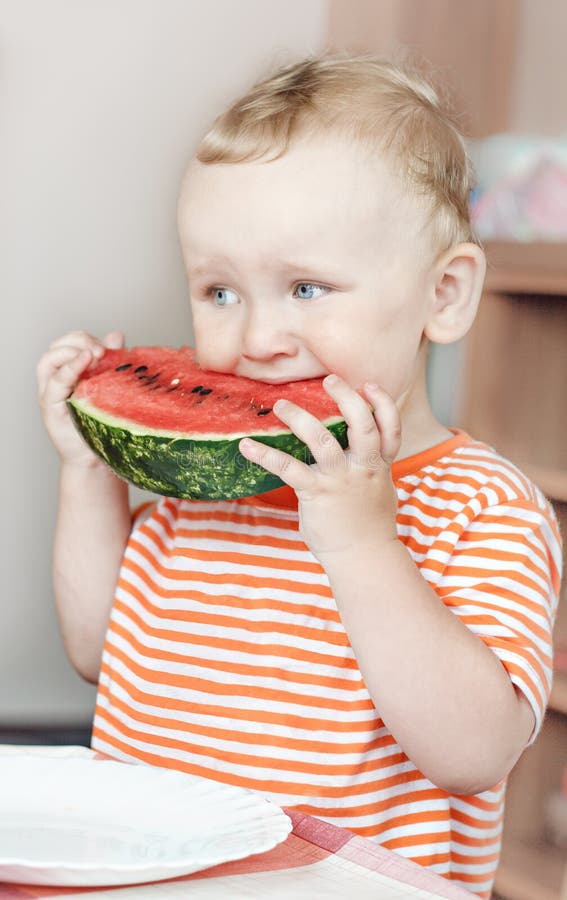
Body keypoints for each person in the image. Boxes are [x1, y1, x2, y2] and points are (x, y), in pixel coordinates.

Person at [37, 53, 562, 897]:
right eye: (217, 291)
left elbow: (471, 755)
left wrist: (360, 540)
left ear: (445, 295)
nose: (257, 337)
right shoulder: (200, 498)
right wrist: (86, 474)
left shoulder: (486, 509)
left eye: (307, 288)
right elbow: (100, 651)